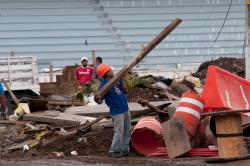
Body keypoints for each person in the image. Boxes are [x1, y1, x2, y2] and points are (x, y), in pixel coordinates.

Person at [94, 64, 131, 158]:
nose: (112, 70)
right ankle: (114, 150)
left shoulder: (115, 81)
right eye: (110, 69)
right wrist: (96, 98)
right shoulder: (103, 86)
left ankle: (124, 149)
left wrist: (121, 79)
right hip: (117, 112)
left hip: (125, 109)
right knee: (119, 132)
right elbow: (99, 101)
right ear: (106, 73)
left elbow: (126, 91)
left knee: (127, 131)